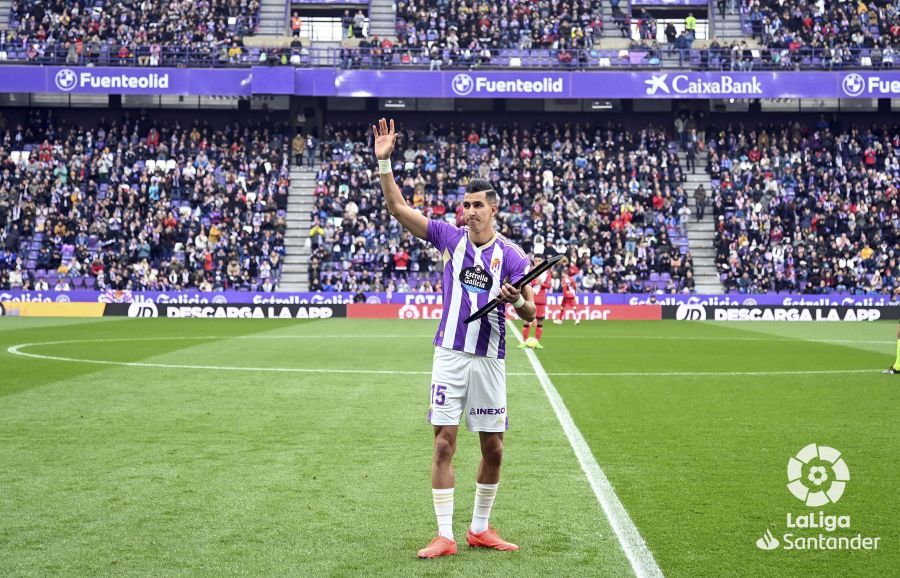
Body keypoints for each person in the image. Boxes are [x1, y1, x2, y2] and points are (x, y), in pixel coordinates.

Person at [372, 118, 535, 559]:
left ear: (494, 209)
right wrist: (384, 163)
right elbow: (399, 209)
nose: (469, 211)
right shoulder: (449, 237)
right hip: (450, 353)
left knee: (494, 448)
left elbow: (531, 311)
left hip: (489, 359)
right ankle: (444, 534)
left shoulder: (514, 256)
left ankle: (479, 528)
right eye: (465, 204)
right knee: (444, 440)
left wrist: (516, 298)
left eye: (477, 204)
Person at [519, 254, 551, 349]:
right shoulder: (531, 271)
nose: (537, 262)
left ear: (542, 261)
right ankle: (524, 342)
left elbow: (549, 286)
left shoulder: (547, 273)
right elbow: (524, 282)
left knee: (540, 321)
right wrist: (534, 282)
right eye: (536, 260)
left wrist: (542, 284)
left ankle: (537, 342)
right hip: (531, 298)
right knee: (527, 320)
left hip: (541, 300)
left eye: (539, 260)